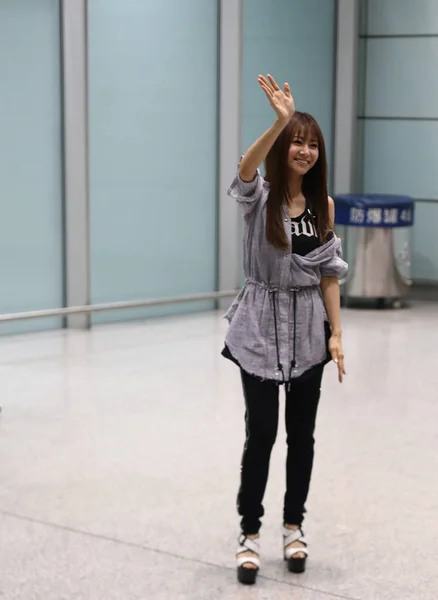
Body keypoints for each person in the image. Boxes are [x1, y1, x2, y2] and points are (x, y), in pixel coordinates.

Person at [222, 74, 348, 585]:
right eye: (298, 141)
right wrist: (278, 121)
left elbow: (328, 273)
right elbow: (245, 169)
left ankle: (293, 526)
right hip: (259, 325)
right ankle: (249, 531)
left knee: (302, 436)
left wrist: (336, 333)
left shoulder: (323, 208)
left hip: (307, 332)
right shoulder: (262, 196)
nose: (305, 151)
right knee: (262, 435)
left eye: (312, 144)